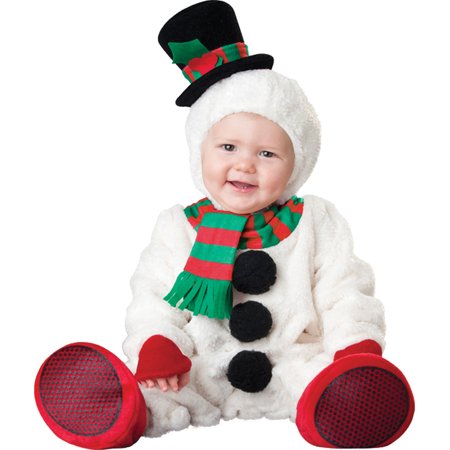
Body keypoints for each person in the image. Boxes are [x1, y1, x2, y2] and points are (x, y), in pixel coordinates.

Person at [35, 2, 415, 448]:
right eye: (228, 147)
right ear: (199, 150)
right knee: (163, 387)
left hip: (295, 362)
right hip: (204, 365)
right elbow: (154, 297)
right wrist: (158, 343)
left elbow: (344, 289)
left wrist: (355, 346)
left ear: (298, 163)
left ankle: (345, 402)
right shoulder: (179, 226)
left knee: (326, 378)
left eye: (267, 154)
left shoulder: (315, 220)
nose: (245, 165)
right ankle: (123, 412)